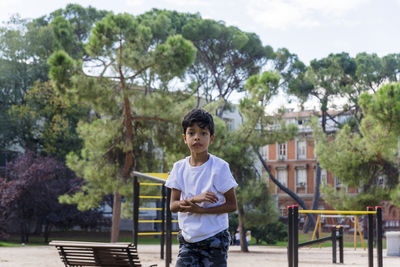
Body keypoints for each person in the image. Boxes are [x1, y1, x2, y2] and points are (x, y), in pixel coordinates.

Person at [165, 108, 238, 267]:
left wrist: (203, 211)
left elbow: (232, 205)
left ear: (211, 138)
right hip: (188, 240)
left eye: (203, 133)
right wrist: (194, 200)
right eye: (192, 133)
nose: (197, 137)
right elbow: (173, 205)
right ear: (185, 138)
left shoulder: (220, 167)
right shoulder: (179, 168)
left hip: (215, 238)